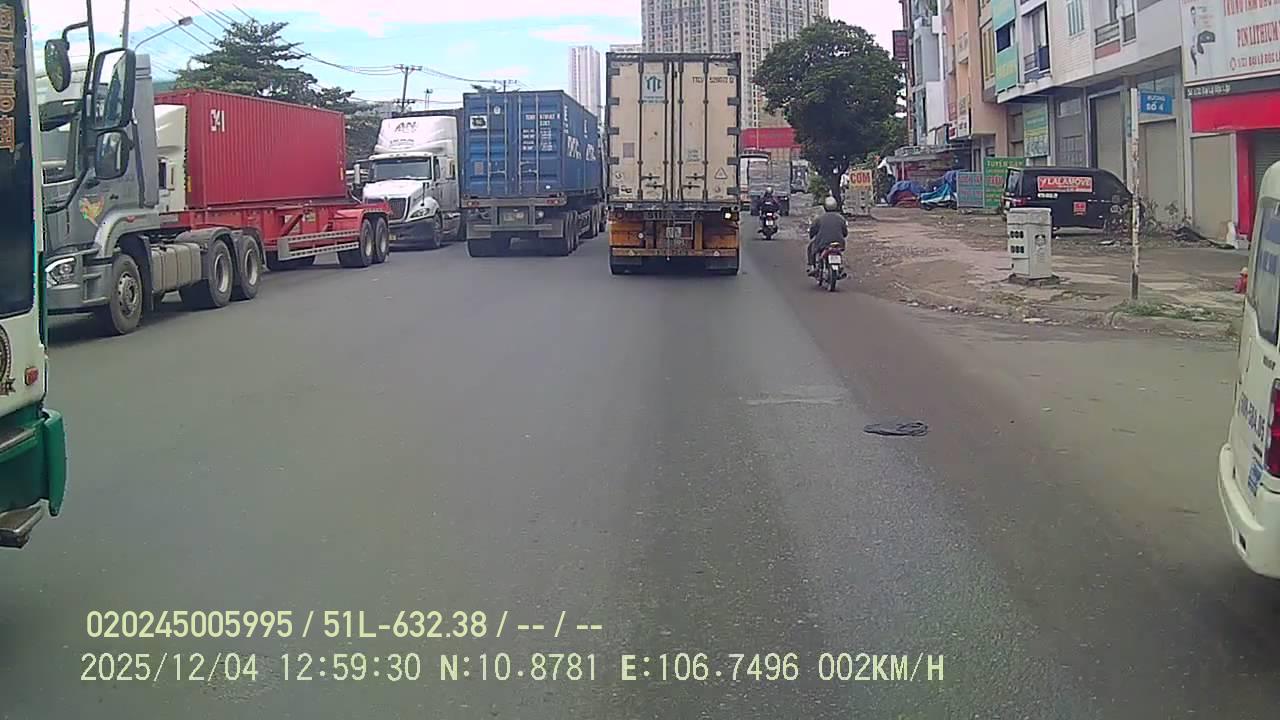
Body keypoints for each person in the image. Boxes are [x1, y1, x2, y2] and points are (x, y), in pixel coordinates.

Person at [808, 196, 847, 273]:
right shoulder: (841, 218)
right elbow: (845, 233)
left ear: (825, 207)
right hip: (839, 243)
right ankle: (840, 266)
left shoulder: (819, 218)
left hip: (823, 243)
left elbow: (813, 230)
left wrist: (811, 235)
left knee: (811, 247)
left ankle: (812, 266)